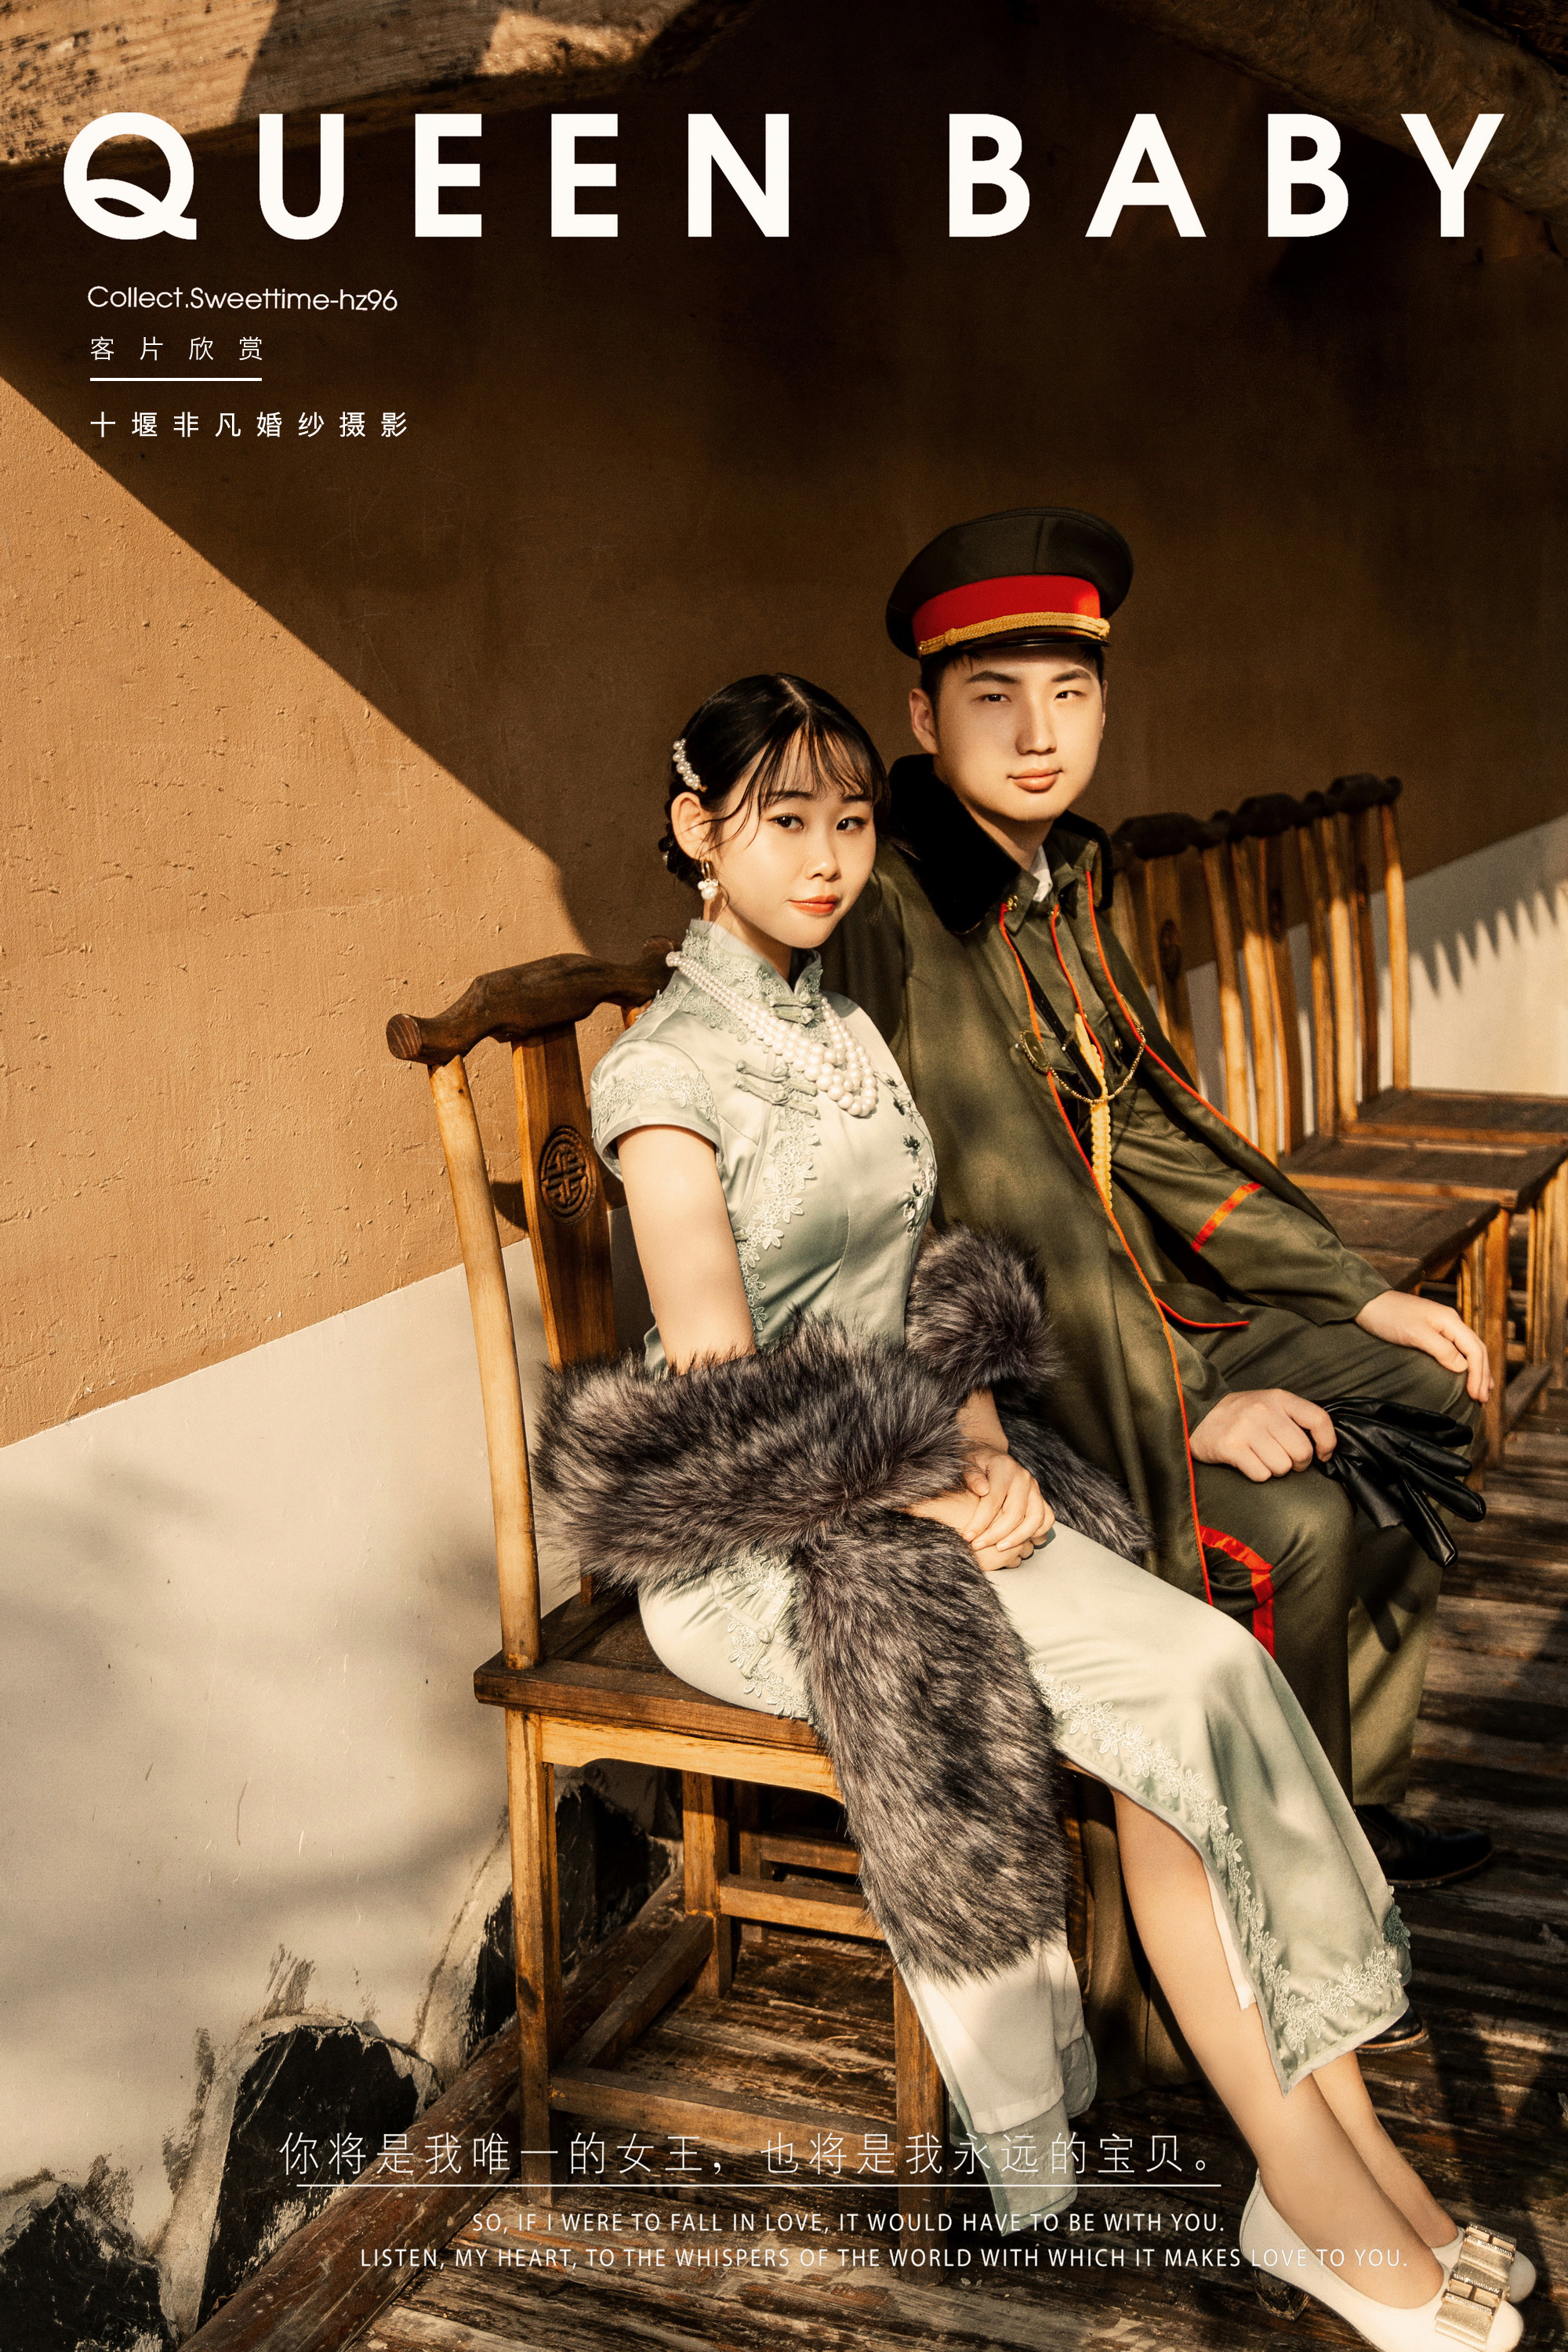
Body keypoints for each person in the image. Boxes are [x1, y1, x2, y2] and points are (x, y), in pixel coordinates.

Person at [538, 673, 1529, 2352]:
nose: (829, 857)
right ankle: (1312, 2191)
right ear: (698, 832)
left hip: (923, 1477)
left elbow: (928, 1270)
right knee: (1184, 1695)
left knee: (1211, 1676)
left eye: (854, 820)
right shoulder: (663, 1073)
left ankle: (1350, 2165)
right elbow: (717, 1381)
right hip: (769, 1540)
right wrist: (930, 1473)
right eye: (786, 821)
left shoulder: (844, 1028)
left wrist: (987, 1435)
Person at [822, 507, 1493, 1938]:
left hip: (1155, 1309)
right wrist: (1190, 1406)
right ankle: (1274, 1895)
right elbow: (934, 1216)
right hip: (1018, 1375)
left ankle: (1352, 1798)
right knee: (1291, 1523)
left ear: (1105, 704)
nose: (1036, 735)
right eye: (992, 699)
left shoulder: (1070, 872)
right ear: (922, 719)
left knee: (1426, 1384)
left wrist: (1353, 1290)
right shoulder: (890, 908)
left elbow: (1161, 1132)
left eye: (1068, 693)